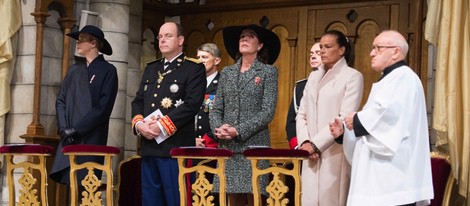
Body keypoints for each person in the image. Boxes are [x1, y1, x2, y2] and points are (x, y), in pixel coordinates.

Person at [329, 30, 434, 206]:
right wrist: (345, 132)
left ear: (395, 52)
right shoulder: (390, 79)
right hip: (379, 179)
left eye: (377, 48)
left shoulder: (404, 77)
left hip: (393, 180)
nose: (371, 53)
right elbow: (375, 125)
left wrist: (356, 120)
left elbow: (389, 119)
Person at [131, 22, 206, 206]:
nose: (162, 40)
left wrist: (161, 126)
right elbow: (138, 101)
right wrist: (139, 125)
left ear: (180, 40)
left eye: (168, 36)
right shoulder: (151, 68)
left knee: (175, 200)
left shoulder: (193, 68)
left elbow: (191, 104)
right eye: (160, 37)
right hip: (149, 146)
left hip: (174, 147)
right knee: (150, 201)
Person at [209, 24, 280, 206]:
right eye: (242, 36)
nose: (244, 39)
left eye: (250, 36)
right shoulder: (227, 72)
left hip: (254, 146)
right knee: (233, 200)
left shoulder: (268, 72)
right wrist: (219, 128)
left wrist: (237, 130)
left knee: (256, 198)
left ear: (260, 45)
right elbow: (216, 108)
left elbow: (267, 112)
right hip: (228, 147)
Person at [296, 30, 364, 206]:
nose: (322, 51)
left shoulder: (352, 76)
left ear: (341, 50)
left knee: (332, 198)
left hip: (334, 150)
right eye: (320, 47)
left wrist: (316, 145)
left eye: (328, 47)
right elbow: (302, 113)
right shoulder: (313, 76)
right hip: (309, 152)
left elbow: (344, 117)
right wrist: (305, 143)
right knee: (309, 199)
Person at [50, 25, 118, 187]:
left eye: (81, 40)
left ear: (94, 43)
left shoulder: (108, 70)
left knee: (86, 186)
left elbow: (103, 108)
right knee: (70, 185)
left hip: (91, 137)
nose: (77, 44)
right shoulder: (74, 70)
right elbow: (61, 101)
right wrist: (64, 128)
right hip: (69, 138)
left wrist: (77, 129)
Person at [285, 42, 322, 149]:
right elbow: (291, 121)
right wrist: (298, 146)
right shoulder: (301, 86)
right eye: (311, 54)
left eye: (318, 53)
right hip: (302, 146)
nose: (313, 57)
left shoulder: (335, 84)